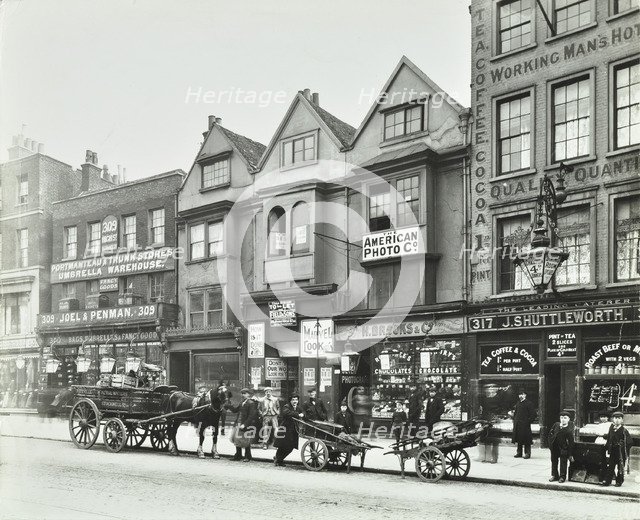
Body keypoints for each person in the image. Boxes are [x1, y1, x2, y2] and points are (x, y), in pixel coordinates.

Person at [226, 387, 260, 462]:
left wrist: (245, 424)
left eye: (245, 393)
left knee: (245, 440)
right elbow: (235, 410)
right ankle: (238, 455)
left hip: (245, 424)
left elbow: (251, 415)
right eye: (242, 393)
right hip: (238, 423)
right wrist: (229, 406)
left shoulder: (251, 403)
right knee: (236, 439)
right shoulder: (242, 402)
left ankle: (248, 456)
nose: (243, 395)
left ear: (249, 394)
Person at [601, 411, 632, 487]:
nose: (617, 420)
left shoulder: (624, 430)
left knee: (620, 467)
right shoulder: (611, 428)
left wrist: (623, 445)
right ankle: (607, 481)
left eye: (619, 418)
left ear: (622, 420)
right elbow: (609, 438)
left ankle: (619, 481)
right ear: (613, 419)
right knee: (610, 466)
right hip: (613, 451)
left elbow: (630, 442)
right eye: (615, 418)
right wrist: (607, 445)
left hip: (620, 452)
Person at [274, 394, 304, 467]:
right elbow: (286, 413)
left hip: (294, 431)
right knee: (282, 446)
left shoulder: (299, 408)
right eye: (293, 400)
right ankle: (279, 460)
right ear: (290, 401)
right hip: (285, 429)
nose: (295, 401)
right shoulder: (286, 407)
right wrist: (298, 415)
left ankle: (278, 458)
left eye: (296, 400)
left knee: (290, 447)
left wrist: (303, 414)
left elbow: (303, 413)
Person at [548, 410, 575, 483]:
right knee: (554, 461)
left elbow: (571, 442)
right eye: (561, 418)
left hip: (563, 448)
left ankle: (562, 476)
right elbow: (550, 434)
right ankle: (554, 475)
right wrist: (550, 444)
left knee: (563, 463)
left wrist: (570, 454)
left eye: (565, 418)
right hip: (554, 447)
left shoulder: (569, 429)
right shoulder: (556, 425)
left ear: (568, 419)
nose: (563, 420)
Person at [511, 388, 536, 459]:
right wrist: (515, 420)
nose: (520, 396)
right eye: (519, 394)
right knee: (519, 439)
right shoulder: (518, 403)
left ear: (525, 395)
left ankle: (527, 453)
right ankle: (519, 452)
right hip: (518, 424)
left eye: (522, 394)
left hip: (525, 425)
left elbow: (533, 415)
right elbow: (516, 413)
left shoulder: (529, 403)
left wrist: (528, 422)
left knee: (526, 439)